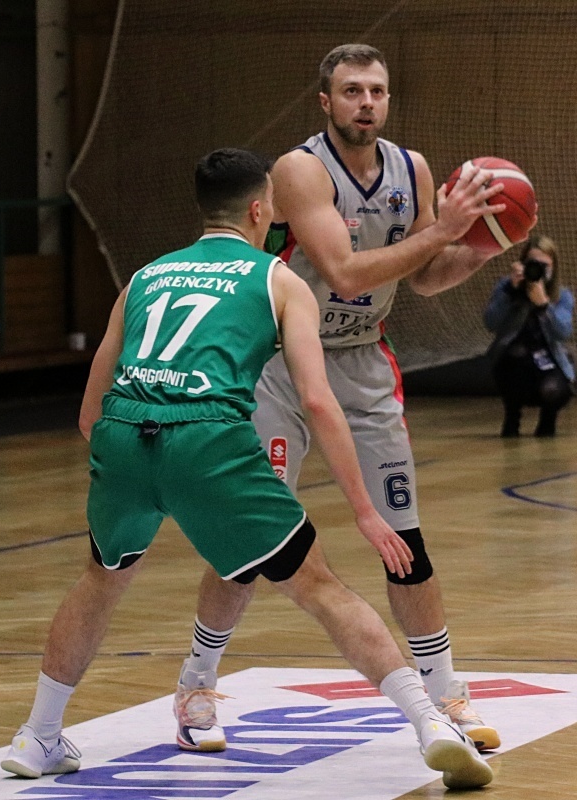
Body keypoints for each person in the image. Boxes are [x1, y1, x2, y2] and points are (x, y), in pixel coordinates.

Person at [0, 148, 493, 790]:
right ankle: (430, 722)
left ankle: (37, 735)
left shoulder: (144, 276)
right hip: (208, 438)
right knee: (319, 585)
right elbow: (319, 402)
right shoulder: (278, 281)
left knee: (100, 580)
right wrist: (363, 512)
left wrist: (144, 470)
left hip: (124, 432)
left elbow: (90, 410)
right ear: (261, 210)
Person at [168, 44, 528, 756]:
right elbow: (345, 271)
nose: (367, 102)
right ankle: (197, 683)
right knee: (249, 539)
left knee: (406, 539)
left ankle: (446, 691)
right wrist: (444, 230)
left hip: (364, 363)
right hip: (280, 362)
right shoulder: (299, 170)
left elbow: (423, 276)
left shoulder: (412, 169)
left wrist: (482, 246)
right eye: (353, 90)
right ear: (326, 102)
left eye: (378, 91)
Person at [482, 233, 575, 438]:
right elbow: (490, 322)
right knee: (515, 357)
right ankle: (511, 416)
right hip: (513, 362)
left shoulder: (562, 295)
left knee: (554, 389)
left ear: (554, 267)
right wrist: (511, 291)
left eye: (544, 265)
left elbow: (564, 332)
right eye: (533, 263)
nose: (538, 270)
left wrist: (544, 306)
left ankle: (548, 421)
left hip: (548, 362)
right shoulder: (507, 287)